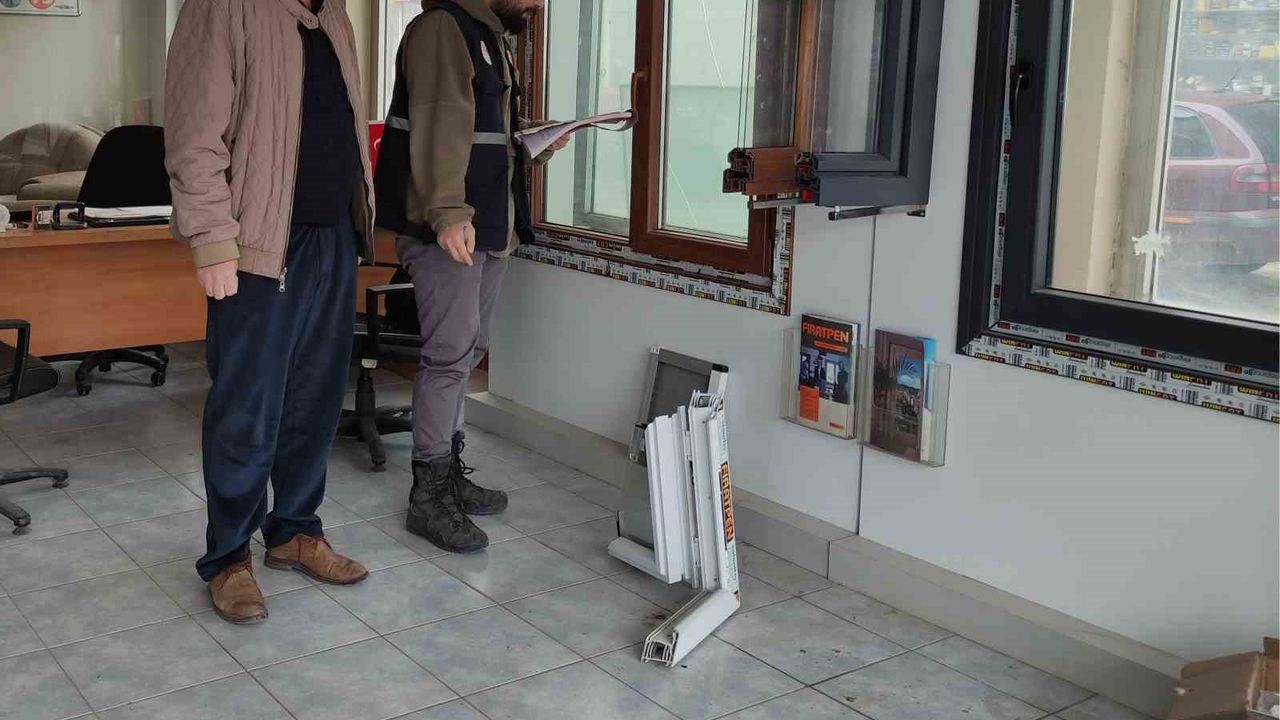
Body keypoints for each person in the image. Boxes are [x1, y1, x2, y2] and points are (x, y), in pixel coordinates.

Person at [165, 0, 374, 624]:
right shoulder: (223, 6)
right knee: (247, 410)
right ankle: (228, 557)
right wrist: (210, 238)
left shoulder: (333, 14)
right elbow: (194, 135)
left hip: (333, 235)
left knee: (314, 400)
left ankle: (295, 531)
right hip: (258, 244)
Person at [375, 0, 566, 553]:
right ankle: (428, 495)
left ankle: (448, 472)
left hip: (487, 226)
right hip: (449, 228)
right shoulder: (443, 27)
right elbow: (439, 126)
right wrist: (446, 212)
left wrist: (534, 141)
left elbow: (481, 135)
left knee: (469, 350)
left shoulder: (488, 35)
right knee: (448, 355)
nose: (537, 4)